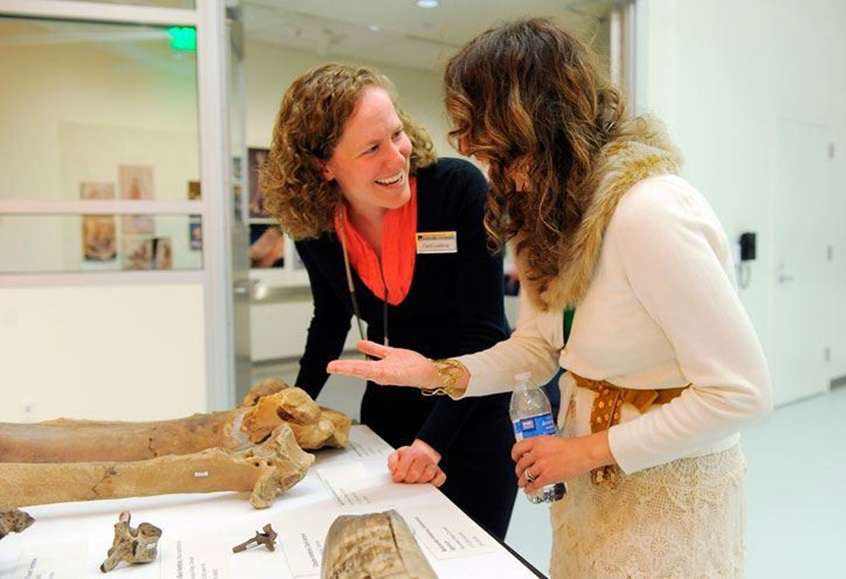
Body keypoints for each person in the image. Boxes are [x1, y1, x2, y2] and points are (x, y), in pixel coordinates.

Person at [327, 19, 772, 577]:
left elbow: (742, 394)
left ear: (535, 125)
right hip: (585, 476)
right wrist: (437, 373)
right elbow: (539, 349)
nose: (481, 161)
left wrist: (582, 453)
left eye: (490, 143)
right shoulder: (550, 216)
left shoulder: (650, 212)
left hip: (667, 489)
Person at [259, 64, 518, 539]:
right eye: (371, 149)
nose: (397, 158)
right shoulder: (316, 227)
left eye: (396, 134)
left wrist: (430, 444)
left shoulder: (455, 191)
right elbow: (330, 320)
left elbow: (485, 333)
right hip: (388, 424)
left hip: (472, 419)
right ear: (324, 165)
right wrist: (292, 412)